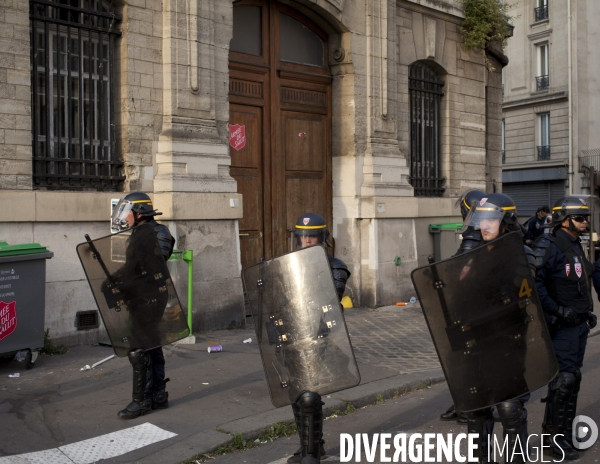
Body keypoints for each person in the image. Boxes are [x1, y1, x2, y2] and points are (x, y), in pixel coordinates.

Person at [459, 193, 535, 463]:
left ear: (506, 222)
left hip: (506, 341)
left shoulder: (521, 253)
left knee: (509, 408)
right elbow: (458, 293)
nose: (484, 226)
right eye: (481, 220)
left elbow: (523, 295)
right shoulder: (472, 254)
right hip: (475, 341)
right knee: (476, 409)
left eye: (491, 219)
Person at [532, 196, 599, 460]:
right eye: (580, 218)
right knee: (565, 381)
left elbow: (579, 280)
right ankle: (557, 442)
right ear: (564, 219)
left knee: (570, 380)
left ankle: (559, 435)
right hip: (560, 326)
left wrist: (586, 311)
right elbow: (534, 285)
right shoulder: (548, 244)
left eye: (586, 218)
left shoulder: (574, 244)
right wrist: (558, 311)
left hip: (578, 324)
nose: (585, 223)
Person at [288, 213, 351, 464]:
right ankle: (308, 445)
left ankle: (313, 450)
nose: (307, 240)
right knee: (296, 392)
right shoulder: (290, 264)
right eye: (303, 236)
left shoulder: (335, 267)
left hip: (318, 336)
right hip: (293, 335)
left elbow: (330, 302)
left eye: (312, 235)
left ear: (322, 238)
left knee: (309, 394)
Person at [111, 192, 176, 420]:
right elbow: (133, 267)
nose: (125, 217)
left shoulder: (159, 233)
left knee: (137, 350)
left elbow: (153, 265)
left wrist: (129, 281)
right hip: (138, 297)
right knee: (151, 345)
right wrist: (114, 279)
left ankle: (140, 402)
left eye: (127, 211)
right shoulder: (138, 233)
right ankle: (158, 395)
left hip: (150, 298)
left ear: (138, 213)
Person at [440, 189, 486, 424]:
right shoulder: (487, 233)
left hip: (472, 308)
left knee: (467, 357)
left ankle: (470, 406)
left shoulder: (474, 235)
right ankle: (463, 403)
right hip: (476, 306)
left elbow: (461, 271)